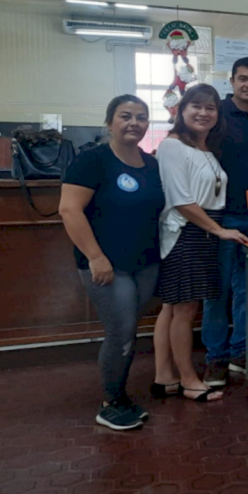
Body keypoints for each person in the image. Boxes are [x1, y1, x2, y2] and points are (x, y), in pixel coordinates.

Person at [60, 95, 165, 430]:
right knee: (120, 332)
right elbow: (69, 210)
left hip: (145, 264)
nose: (134, 122)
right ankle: (111, 401)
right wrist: (95, 257)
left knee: (129, 330)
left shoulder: (151, 165)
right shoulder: (92, 161)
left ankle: (119, 394)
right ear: (109, 123)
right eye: (125, 116)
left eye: (141, 117)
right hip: (106, 266)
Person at [155, 84, 248, 402]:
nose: (203, 113)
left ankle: (164, 376)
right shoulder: (172, 146)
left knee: (172, 307)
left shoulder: (204, 148)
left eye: (210, 108)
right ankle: (188, 379)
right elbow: (182, 200)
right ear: (182, 110)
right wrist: (218, 230)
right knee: (184, 310)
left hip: (202, 229)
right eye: (196, 106)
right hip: (188, 231)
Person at [202, 57, 248, 387]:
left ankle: (240, 352)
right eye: (243, 78)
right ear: (231, 81)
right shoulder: (214, 114)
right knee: (216, 290)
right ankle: (214, 358)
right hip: (220, 215)